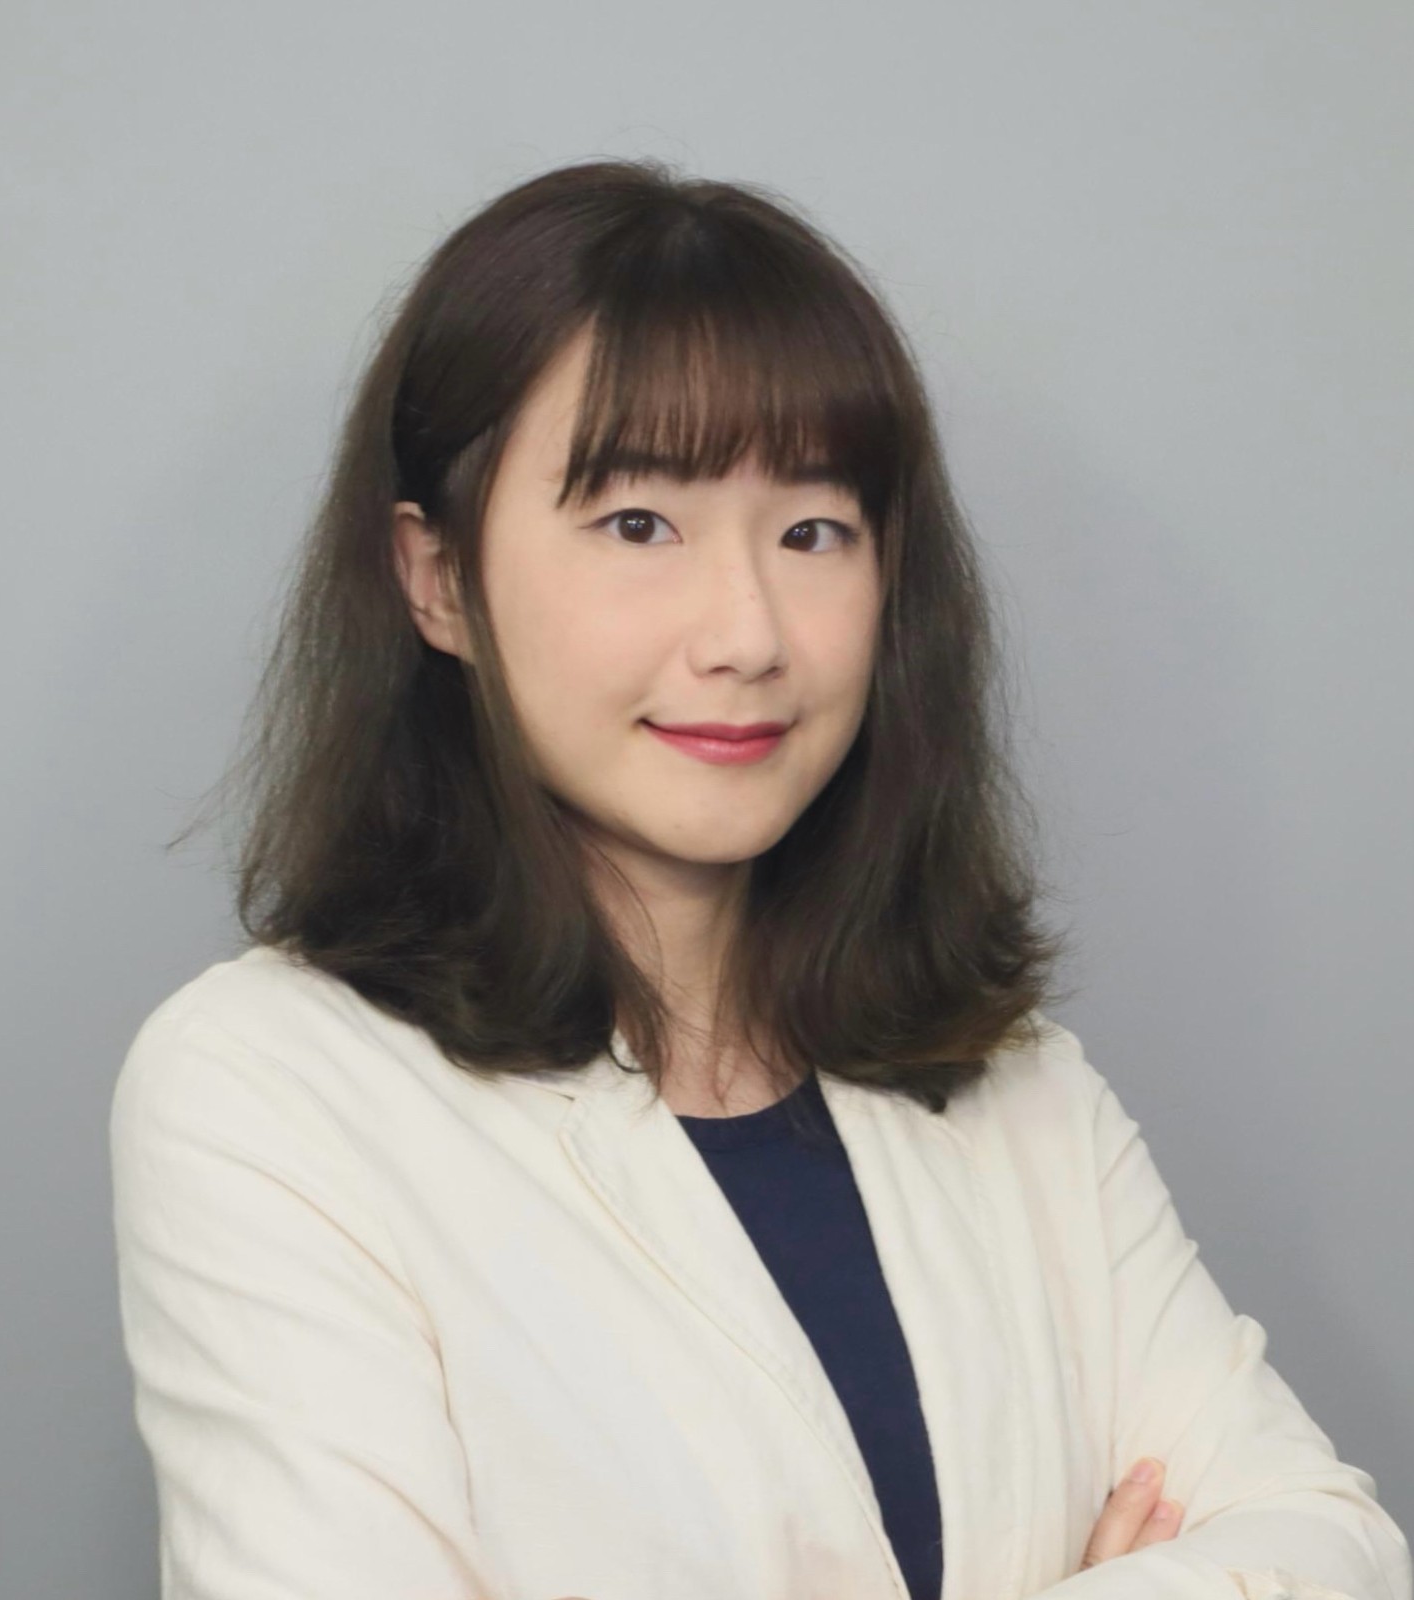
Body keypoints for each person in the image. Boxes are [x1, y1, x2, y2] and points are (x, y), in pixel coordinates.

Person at [109, 159, 1410, 1600]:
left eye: (812, 532)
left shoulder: (1017, 1084)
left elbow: (1335, 1544)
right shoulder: (265, 1091)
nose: (747, 635)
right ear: (438, 580)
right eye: (638, 524)